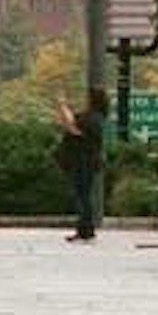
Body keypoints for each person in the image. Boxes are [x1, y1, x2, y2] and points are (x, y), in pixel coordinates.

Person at [53, 87, 108, 240]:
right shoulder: (95, 117)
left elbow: (72, 128)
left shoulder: (91, 119)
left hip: (84, 160)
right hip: (86, 160)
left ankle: (85, 229)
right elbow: (71, 122)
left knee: (82, 195)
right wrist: (63, 107)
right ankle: (85, 228)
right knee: (83, 194)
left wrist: (62, 105)